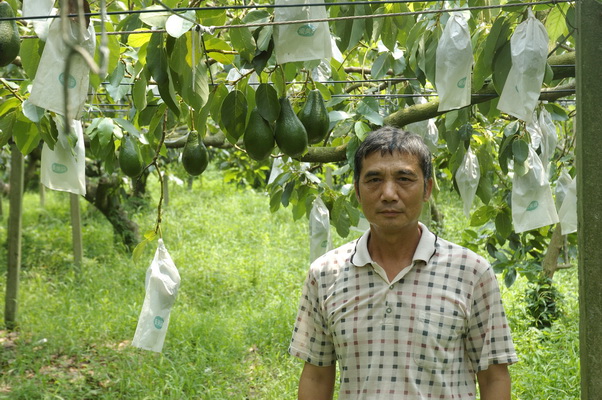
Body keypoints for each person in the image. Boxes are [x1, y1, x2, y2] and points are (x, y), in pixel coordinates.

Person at [288, 126, 518, 399]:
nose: (388, 194)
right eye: (373, 179)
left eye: (404, 179)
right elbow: (316, 375)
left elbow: (493, 377)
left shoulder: (471, 272)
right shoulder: (326, 274)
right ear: (358, 192)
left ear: (427, 189)